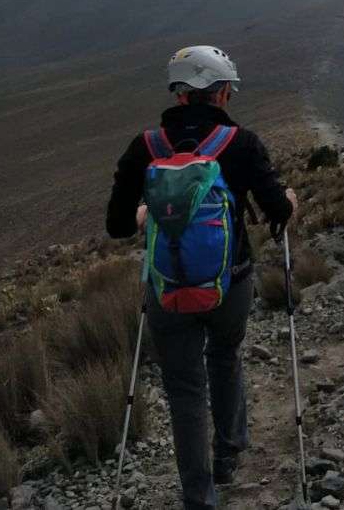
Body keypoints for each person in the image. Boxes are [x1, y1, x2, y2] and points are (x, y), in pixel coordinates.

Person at [106, 45, 296, 509]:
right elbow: (278, 211)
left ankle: (199, 494)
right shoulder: (243, 143)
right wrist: (291, 199)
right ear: (221, 93)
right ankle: (229, 449)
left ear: (180, 94)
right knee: (226, 355)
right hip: (231, 281)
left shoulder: (145, 146)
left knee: (184, 387)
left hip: (167, 288)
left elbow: (115, 226)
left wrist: (147, 213)